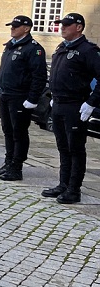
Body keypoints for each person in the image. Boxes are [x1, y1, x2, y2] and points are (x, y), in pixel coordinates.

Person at [40, 13, 100, 204]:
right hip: (58, 103)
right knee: (63, 148)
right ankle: (63, 184)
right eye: (60, 25)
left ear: (79, 27)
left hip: (75, 105)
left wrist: (91, 102)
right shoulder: (61, 48)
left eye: (66, 25)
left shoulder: (87, 50)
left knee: (75, 149)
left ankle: (74, 189)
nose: (62, 28)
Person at [0, 15, 47, 182]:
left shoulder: (33, 48)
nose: (12, 29)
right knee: (7, 131)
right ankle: (8, 162)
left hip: (20, 96)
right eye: (11, 26)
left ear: (26, 28)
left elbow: (39, 76)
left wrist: (32, 98)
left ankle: (17, 166)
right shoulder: (11, 46)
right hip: (7, 94)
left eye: (16, 26)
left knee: (19, 132)